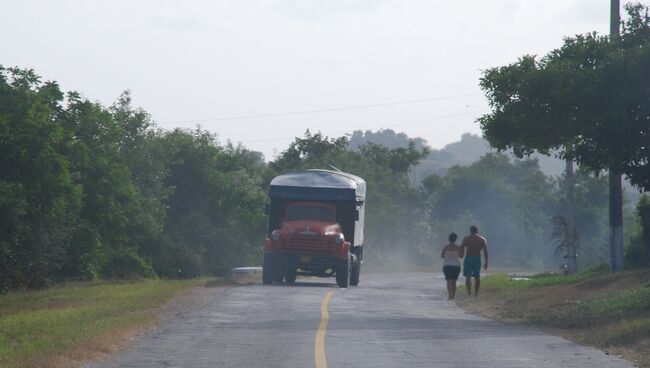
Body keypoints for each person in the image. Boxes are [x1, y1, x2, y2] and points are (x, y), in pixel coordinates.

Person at [460, 225, 488, 296]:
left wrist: (462, 255)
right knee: (477, 276)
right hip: (477, 258)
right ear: (477, 231)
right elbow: (485, 251)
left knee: (468, 276)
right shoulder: (482, 239)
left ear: (470, 231)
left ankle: (469, 293)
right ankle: (476, 293)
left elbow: (462, 247)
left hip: (469, 257)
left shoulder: (466, 238)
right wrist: (486, 262)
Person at [440, 232, 461, 300]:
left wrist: (448, 257)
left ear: (449, 239)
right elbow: (461, 256)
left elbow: (442, 256)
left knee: (449, 281)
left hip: (447, 266)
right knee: (454, 281)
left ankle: (449, 295)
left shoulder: (446, 247)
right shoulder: (458, 247)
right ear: (455, 239)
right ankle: (453, 296)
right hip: (456, 266)